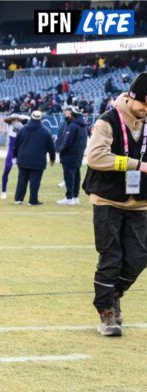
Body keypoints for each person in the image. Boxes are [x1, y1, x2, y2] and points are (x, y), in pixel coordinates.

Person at [83, 72, 147, 336]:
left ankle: (114, 295)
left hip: (140, 202)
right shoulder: (107, 121)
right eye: (144, 104)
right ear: (131, 98)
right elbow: (96, 158)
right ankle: (107, 312)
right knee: (111, 257)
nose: (146, 109)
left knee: (138, 258)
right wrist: (134, 164)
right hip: (107, 199)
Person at [13, 110, 55, 206]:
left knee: (22, 180)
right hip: (38, 161)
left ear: (31, 117)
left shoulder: (22, 130)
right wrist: (52, 158)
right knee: (35, 182)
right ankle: (32, 200)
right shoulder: (45, 131)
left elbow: (16, 145)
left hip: (23, 159)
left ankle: (18, 199)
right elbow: (51, 147)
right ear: (41, 119)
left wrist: (15, 155)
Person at [56, 106, 88, 205]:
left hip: (69, 156)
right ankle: (75, 196)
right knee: (76, 177)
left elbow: (67, 142)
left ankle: (69, 197)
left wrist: (60, 150)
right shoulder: (83, 126)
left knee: (69, 177)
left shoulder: (73, 126)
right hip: (78, 156)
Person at [0, 114, 27, 200]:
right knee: (7, 169)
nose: (16, 122)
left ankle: (21, 193)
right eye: (14, 120)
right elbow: (5, 119)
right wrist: (14, 118)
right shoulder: (11, 123)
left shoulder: (24, 124)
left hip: (21, 150)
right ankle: (3, 191)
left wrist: (20, 119)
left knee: (23, 172)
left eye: (17, 120)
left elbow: (28, 119)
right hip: (12, 150)